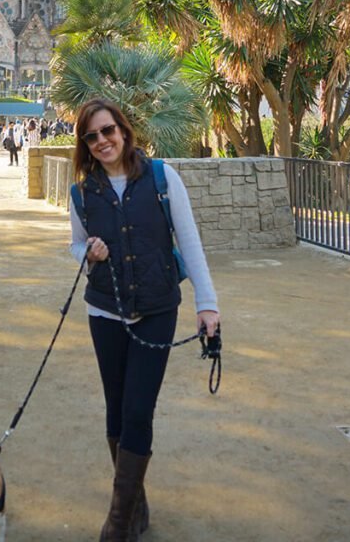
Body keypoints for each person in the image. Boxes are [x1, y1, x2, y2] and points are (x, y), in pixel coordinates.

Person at [69, 98, 219, 541]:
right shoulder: (82, 192)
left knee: (138, 409)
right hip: (104, 310)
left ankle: (117, 525)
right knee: (116, 409)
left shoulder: (161, 178)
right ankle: (133, 502)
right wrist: (88, 253)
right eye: (91, 136)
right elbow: (75, 245)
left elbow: (189, 243)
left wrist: (206, 304)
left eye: (107, 131)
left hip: (156, 309)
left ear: (124, 130)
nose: (101, 141)